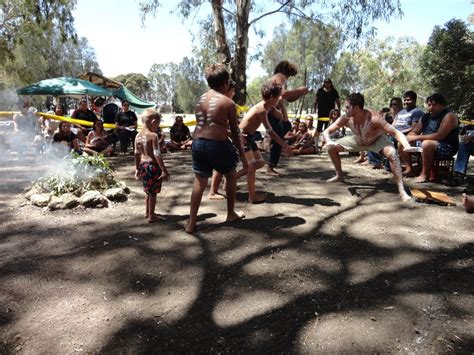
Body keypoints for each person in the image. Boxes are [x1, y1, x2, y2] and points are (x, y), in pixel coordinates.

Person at [185, 63, 247, 233]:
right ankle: (231, 213)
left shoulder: (200, 100)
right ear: (226, 82)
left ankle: (191, 223)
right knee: (231, 174)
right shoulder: (228, 102)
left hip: (198, 143)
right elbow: (234, 132)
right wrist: (243, 156)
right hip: (217, 145)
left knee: (199, 182)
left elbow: (207, 124)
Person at [323, 93, 412, 202]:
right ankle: (339, 176)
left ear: (356, 108)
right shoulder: (346, 117)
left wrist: (406, 145)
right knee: (331, 148)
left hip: (377, 140)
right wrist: (328, 140)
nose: (345, 110)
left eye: (347, 107)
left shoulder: (374, 118)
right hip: (359, 140)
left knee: (392, 153)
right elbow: (327, 131)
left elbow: (395, 132)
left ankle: (402, 190)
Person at [239, 81, 292, 203]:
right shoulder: (261, 109)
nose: (279, 98)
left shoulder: (270, 107)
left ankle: (231, 180)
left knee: (260, 163)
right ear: (272, 97)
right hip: (242, 137)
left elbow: (284, 119)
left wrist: (282, 104)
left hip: (249, 136)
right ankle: (252, 197)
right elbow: (271, 132)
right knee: (252, 166)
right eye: (278, 96)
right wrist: (284, 145)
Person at [266, 60, 309, 176]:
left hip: (275, 112)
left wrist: (300, 93)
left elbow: (288, 98)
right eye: (290, 75)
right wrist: (299, 90)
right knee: (278, 139)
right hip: (272, 112)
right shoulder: (280, 76)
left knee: (287, 126)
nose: (289, 77)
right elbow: (283, 94)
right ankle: (270, 167)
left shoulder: (279, 78)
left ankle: (272, 144)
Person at [407, 93, 459, 183]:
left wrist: (416, 138)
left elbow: (440, 136)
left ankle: (424, 175)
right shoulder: (425, 116)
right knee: (402, 142)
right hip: (425, 143)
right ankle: (409, 169)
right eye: (429, 105)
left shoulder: (449, 116)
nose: (431, 107)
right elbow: (415, 131)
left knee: (426, 144)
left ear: (443, 105)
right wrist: (410, 136)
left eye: (435, 105)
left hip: (447, 147)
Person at [134, 109, 170, 223]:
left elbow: (136, 153)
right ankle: (152, 216)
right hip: (152, 166)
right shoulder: (153, 135)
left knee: (147, 191)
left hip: (143, 165)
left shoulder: (137, 136)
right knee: (153, 192)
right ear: (153, 121)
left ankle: (148, 212)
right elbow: (157, 154)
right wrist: (164, 170)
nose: (157, 127)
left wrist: (137, 168)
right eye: (157, 124)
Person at [208, 79, 237, 200]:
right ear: (227, 89)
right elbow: (219, 127)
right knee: (226, 170)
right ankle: (213, 191)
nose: (234, 93)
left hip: (218, 140)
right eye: (233, 91)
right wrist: (235, 136)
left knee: (220, 168)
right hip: (217, 140)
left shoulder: (216, 102)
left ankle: (214, 190)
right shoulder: (225, 104)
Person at [394, 91, 425, 176]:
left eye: (408, 100)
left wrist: (399, 132)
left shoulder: (417, 112)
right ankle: (380, 163)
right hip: (394, 133)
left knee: (400, 142)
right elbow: (394, 124)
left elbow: (414, 128)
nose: (406, 102)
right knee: (378, 137)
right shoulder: (401, 112)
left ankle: (409, 169)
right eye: (405, 100)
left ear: (414, 100)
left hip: (406, 135)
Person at [367, 98, 403, 169]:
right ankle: (376, 162)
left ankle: (388, 165)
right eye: (391, 104)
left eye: (395, 104)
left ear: (400, 105)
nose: (392, 106)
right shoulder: (388, 115)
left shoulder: (402, 114)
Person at [313, 78, 340, 149]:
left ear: (331, 83)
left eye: (328, 82)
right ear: (324, 83)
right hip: (321, 113)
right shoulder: (320, 91)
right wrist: (314, 108)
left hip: (330, 113)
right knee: (319, 129)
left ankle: (324, 145)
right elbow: (315, 100)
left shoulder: (334, 91)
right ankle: (315, 144)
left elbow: (337, 101)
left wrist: (339, 110)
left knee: (327, 129)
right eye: (325, 82)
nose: (327, 84)